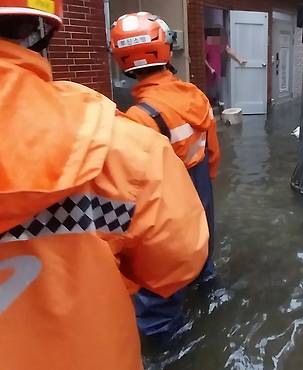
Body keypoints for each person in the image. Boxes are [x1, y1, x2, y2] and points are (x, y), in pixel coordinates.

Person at [0, 3, 209, 370]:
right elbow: (177, 259)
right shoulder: (177, 108)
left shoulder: (141, 120)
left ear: (121, 59)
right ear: (41, 28)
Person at [109, 12, 221, 339]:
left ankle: (167, 342)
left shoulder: (137, 119)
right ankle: (208, 284)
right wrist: (207, 181)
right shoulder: (194, 95)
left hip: (167, 202)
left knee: (157, 281)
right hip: (200, 185)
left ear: (122, 61)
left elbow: (130, 192)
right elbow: (212, 150)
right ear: (166, 51)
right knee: (202, 249)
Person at [205, 27, 246, 107]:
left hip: (217, 66)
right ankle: (210, 103)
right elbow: (203, 58)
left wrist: (239, 59)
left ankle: (218, 102)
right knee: (210, 86)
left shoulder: (217, 41)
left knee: (217, 85)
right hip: (210, 68)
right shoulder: (207, 42)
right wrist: (210, 68)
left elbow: (228, 50)